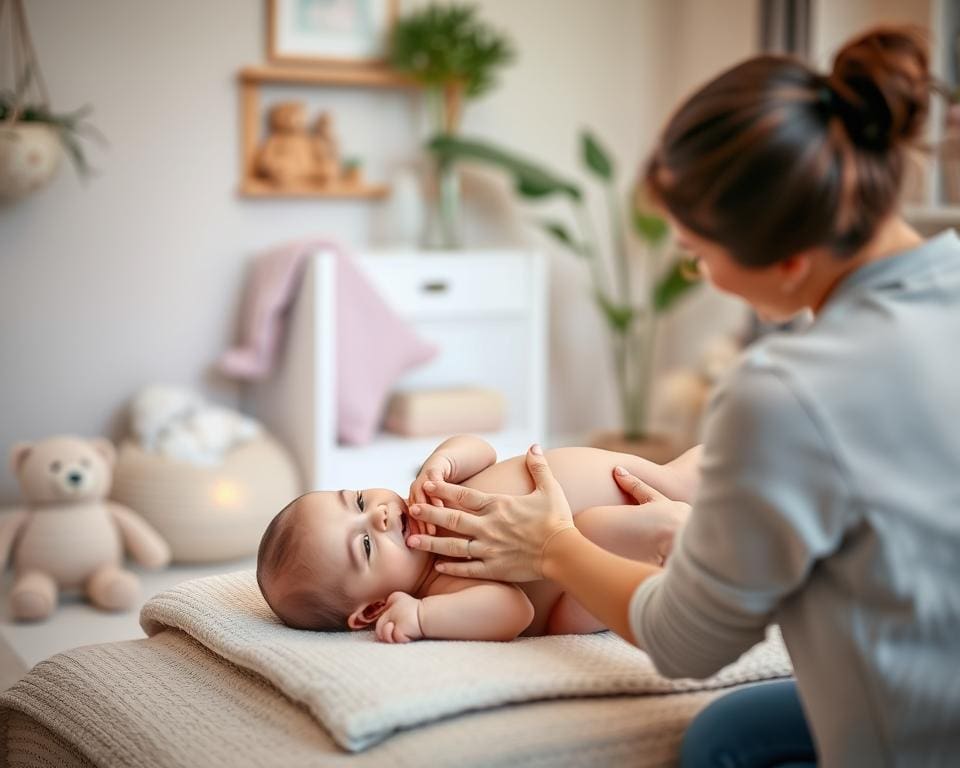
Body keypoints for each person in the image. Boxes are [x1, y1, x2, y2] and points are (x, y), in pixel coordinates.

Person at [403, 26, 960, 768]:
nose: (699, 275)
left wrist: (553, 547)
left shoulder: (786, 391)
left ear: (790, 261)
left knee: (715, 752)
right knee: (725, 734)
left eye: (698, 255)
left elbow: (689, 640)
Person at [256, 434, 689, 642]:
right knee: (598, 527)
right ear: (372, 608)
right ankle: (673, 540)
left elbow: (483, 450)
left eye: (358, 501)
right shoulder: (443, 578)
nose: (381, 516)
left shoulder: (431, 495)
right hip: (587, 576)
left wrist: (440, 461)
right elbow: (514, 610)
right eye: (366, 545)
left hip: (633, 476)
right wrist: (423, 617)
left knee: (696, 471)